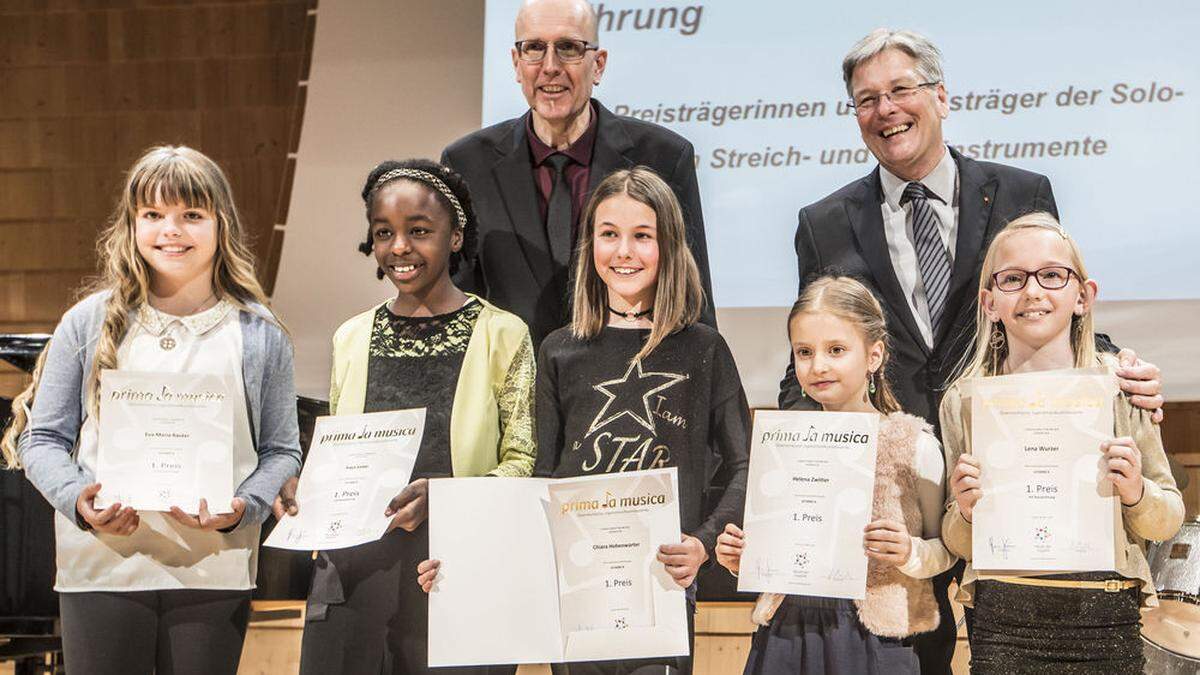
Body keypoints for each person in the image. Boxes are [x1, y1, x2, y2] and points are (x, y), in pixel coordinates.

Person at [775, 28, 1165, 674]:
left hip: (1003, 480)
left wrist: (1117, 367)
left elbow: (1053, 302)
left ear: (941, 97)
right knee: (911, 656)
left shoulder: (1020, 191)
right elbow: (805, 365)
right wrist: (796, 466)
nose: (886, 109)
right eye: (867, 99)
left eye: (901, 89)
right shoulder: (824, 223)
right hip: (898, 498)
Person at [0, 145, 301, 675]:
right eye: (154, 215)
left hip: (214, 567)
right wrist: (78, 501)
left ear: (220, 224)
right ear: (132, 224)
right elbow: (41, 439)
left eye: (191, 215)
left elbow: (281, 450)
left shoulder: (259, 333)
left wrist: (243, 507)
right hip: (101, 567)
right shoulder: (86, 322)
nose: (172, 231)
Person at [277, 160, 535, 675]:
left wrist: (442, 496)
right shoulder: (350, 337)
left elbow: (524, 463)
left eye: (419, 231)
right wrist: (305, 485)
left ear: (456, 237)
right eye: (383, 233)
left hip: (454, 573)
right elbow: (341, 448)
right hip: (350, 575)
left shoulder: (504, 334)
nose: (399, 247)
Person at [940, 213, 1183, 673]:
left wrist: (1135, 493)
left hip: (1104, 621)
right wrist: (967, 510)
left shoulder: (1120, 386)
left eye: (1052, 275)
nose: (1033, 291)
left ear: (1083, 297)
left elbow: (1166, 519)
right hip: (1003, 627)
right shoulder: (964, 401)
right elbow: (956, 540)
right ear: (990, 302)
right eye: (1013, 279)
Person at [441, 0, 716, 347]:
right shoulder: (466, 164)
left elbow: (693, 301)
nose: (550, 66)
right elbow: (457, 304)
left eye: (568, 48)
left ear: (598, 65)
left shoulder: (664, 157)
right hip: (510, 391)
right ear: (516, 63)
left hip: (630, 386)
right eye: (535, 49)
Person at [717, 275, 956, 674]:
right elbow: (780, 548)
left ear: (874, 356)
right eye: (804, 352)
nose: (818, 365)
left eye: (837, 350)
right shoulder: (783, 444)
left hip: (873, 641)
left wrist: (908, 552)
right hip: (785, 636)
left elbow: (946, 552)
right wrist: (744, 558)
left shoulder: (912, 443)